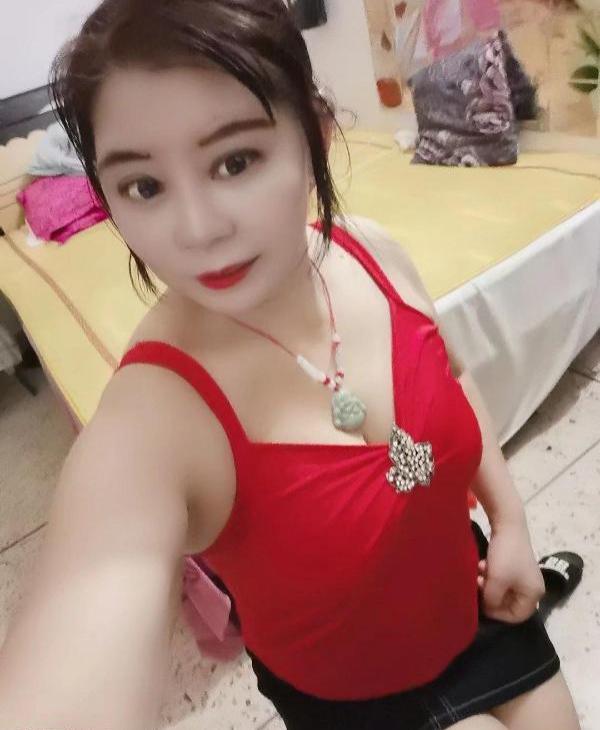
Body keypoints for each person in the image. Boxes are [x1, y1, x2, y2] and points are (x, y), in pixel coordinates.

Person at [0, 2, 582, 729]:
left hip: (477, 606)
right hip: (347, 698)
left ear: (315, 135)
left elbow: (455, 380)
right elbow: (85, 617)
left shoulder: (373, 254)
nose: (198, 229)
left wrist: (510, 521)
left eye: (235, 161)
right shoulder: (155, 416)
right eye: (144, 186)